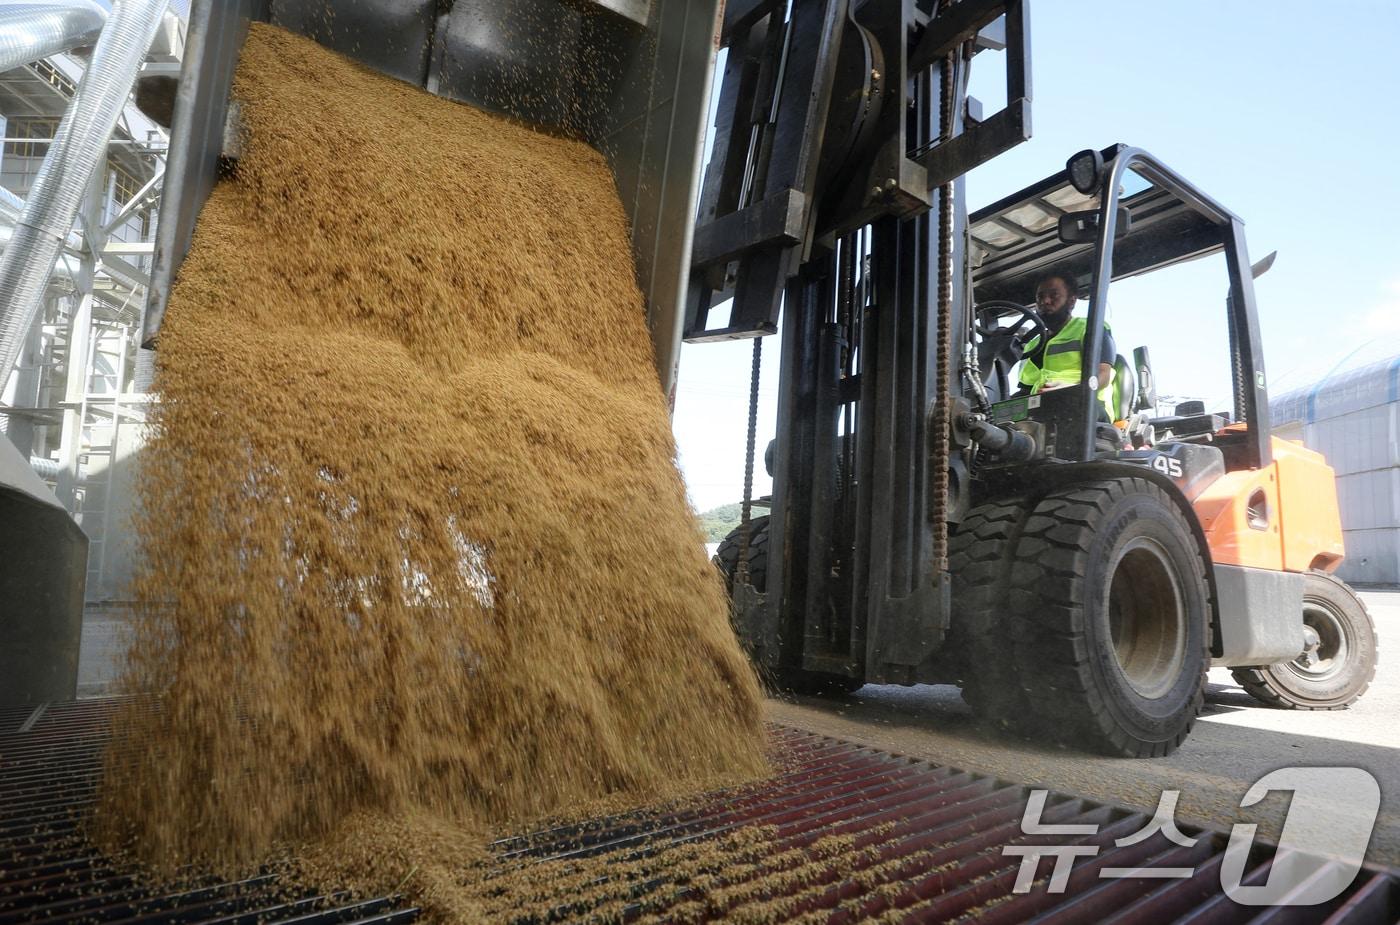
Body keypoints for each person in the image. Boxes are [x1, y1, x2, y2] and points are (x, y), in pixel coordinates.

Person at [1019, 272, 1118, 419]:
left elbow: (1103, 374)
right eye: (1040, 297)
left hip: (1087, 408)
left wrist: (1074, 389)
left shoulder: (1089, 328)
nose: (1045, 301)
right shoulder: (1032, 345)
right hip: (1043, 409)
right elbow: (1025, 391)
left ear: (1071, 301)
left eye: (1054, 295)